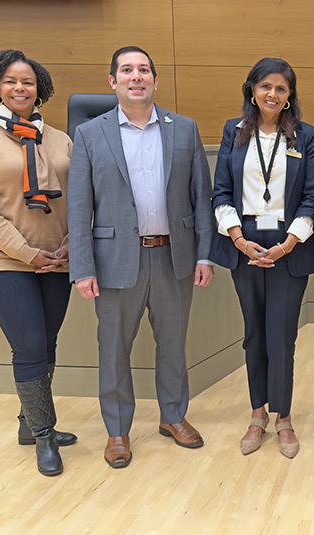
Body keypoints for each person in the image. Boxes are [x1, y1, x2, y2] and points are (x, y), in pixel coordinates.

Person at [67, 46, 214, 468]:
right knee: (114, 350)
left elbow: (201, 198)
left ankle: (173, 416)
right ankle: (117, 430)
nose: (137, 76)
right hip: (114, 261)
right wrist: (82, 268)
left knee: (173, 346)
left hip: (174, 258)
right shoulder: (90, 134)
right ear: (112, 81)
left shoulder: (183, 129)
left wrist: (205, 255)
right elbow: (79, 206)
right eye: (127, 70)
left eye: (144, 70)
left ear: (155, 80)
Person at [0, 50, 75, 476]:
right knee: (28, 346)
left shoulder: (61, 140)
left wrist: (70, 246)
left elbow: (80, 200)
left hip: (58, 259)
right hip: (2, 260)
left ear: (39, 88)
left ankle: (31, 424)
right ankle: (44, 435)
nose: (19, 88)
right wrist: (27, 253)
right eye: (10, 81)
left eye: (27, 81)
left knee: (46, 343)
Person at [208, 58, 314, 459]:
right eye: (265, 87)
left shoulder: (306, 136)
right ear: (252, 90)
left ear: (289, 96)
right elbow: (221, 191)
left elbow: (313, 196)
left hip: (288, 246)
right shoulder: (234, 131)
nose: (272, 94)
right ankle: (257, 413)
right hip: (245, 244)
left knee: (281, 336)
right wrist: (238, 239)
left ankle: (283, 417)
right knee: (254, 334)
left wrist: (288, 243)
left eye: (281, 88)